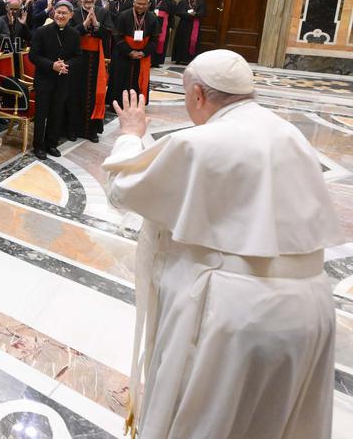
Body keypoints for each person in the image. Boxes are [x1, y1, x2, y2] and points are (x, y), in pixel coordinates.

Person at [103, 50, 341, 439]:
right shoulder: (290, 134)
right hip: (311, 307)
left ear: (197, 93)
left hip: (235, 317)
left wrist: (131, 135)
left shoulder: (201, 142)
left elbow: (124, 190)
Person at [28, 0, 81, 159]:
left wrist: (66, 65)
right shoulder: (41, 31)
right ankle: (38, 146)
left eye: (64, 13)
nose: (60, 15)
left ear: (71, 15)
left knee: (57, 113)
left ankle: (51, 144)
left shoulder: (74, 34)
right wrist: (52, 65)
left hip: (63, 80)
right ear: (53, 13)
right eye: (58, 12)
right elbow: (33, 56)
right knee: (41, 114)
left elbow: (78, 57)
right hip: (44, 79)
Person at [65, 0, 111, 143]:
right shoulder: (73, 13)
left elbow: (110, 33)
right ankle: (72, 129)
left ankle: (91, 131)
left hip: (95, 58)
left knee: (94, 94)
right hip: (77, 58)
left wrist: (97, 24)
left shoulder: (103, 12)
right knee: (74, 94)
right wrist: (84, 25)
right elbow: (68, 34)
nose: (89, 0)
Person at [107, 0, 160, 107]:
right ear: (134, 3)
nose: (141, 6)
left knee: (138, 80)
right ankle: (117, 104)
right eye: (138, 3)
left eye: (144, 4)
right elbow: (117, 36)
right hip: (123, 53)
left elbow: (155, 39)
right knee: (119, 79)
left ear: (149, 4)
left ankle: (135, 104)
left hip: (142, 55)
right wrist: (129, 52)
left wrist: (143, 52)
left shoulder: (152, 18)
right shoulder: (123, 15)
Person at [171, 0, 207, 65]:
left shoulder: (201, 3)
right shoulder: (183, 1)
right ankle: (179, 59)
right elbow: (177, 12)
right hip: (183, 25)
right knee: (181, 41)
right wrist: (187, 14)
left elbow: (203, 13)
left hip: (195, 25)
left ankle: (190, 59)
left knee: (192, 42)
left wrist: (196, 14)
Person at [151, 0, 176, 67]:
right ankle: (149, 60)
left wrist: (171, 27)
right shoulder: (151, 0)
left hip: (164, 25)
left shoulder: (170, 3)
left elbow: (172, 16)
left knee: (161, 42)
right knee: (152, 41)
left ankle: (157, 62)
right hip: (151, 23)